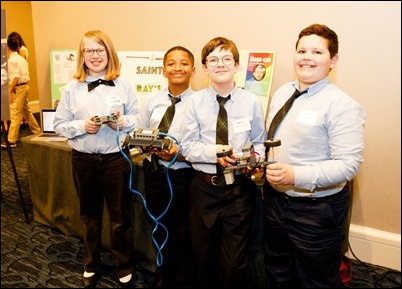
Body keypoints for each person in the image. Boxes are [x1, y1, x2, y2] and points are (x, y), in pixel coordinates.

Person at [262, 23, 366, 288]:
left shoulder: (343, 106)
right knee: (278, 270)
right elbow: (276, 141)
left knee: (316, 280)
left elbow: (348, 165)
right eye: (302, 50)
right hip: (275, 203)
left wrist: (295, 175)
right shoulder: (283, 93)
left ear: (333, 60)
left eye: (317, 52)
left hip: (316, 211)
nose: (307, 57)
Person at [53, 30, 139, 288]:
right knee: (89, 216)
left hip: (115, 159)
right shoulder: (71, 88)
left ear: (109, 53)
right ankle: (91, 263)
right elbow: (59, 124)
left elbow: (137, 119)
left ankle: (124, 265)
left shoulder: (124, 85)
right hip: (84, 159)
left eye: (100, 50)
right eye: (89, 51)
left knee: (119, 216)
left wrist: (124, 122)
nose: (95, 55)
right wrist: (82, 126)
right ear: (82, 56)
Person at [180, 36, 267, 288]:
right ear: (205, 68)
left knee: (236, 259)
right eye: (213, 60)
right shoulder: (194, 102)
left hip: (239, 190)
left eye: (227, 58)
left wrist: (254, 159)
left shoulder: (251, 102)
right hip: (204, 188)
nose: (220, 64)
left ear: (237, 65)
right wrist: (214, 152)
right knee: (203, 253)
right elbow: (186, 146)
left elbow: (259, 142)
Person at [138, 46, 196, 288]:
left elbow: (203, 145)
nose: (177, 68)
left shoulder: (201, 103)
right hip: (155, 173)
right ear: (164, 70)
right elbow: (139, 133)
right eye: (172, 63)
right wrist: (146, 146)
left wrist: (178, 153)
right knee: (159, 224)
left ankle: (182, 278)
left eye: (183, 63)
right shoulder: (151, 100)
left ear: (193, 70)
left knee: (184, 229)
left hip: (185, 177)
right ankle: (163, 271)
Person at [1, 32, 41, 149]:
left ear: (8, 48)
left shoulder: (12, 61)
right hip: (25, 87)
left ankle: (11, 140)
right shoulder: (21, 58)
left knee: (14, 113)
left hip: (19, 88)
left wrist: (9, 91)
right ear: (18, 47)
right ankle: (37, 131)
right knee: (26, 111)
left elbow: (15, 77)